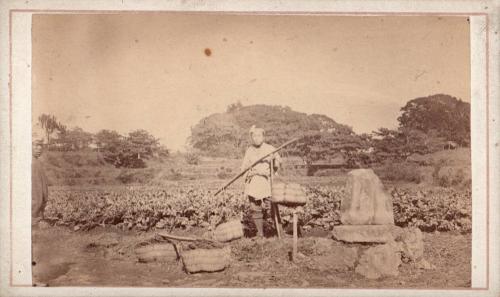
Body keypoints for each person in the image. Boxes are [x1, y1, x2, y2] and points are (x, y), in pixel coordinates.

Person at [241, 125, 281, 237]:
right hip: (254, 181)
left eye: (259, 136)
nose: (256, 138)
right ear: (251, 138)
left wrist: (275, 161)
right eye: (254, 136)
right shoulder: (249, 150)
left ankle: (279, 231)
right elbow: (244, 167)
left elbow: (278, 162)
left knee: (273, 205)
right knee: (255, 207)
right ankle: (260, 234)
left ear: (263, 137)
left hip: (267, 181)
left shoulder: (270, 148)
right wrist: (247, 174)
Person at [32, 139, 48, 222]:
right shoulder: (32, 162)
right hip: (36, 191)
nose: (39, 150)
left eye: (40, 148)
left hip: (40, 189)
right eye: (36, 148)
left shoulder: (37, 161)